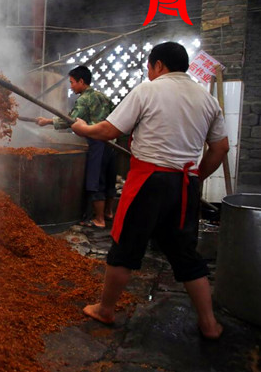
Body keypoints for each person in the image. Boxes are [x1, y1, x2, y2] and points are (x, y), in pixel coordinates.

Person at [71, 42, 229, 339]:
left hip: (148, 183)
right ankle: (209, 324)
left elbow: (108, 130)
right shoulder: (207, 100)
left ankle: (105, 310)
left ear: (158, 65)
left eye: (149, 66)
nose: (149, 71)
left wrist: (83, 129)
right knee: (185, 254)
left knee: (126, 248)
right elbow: (221, 147)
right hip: (184, 186)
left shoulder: (148, 90)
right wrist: (195, 179)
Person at [36, 65, 116, 228]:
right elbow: (115, 114)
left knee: (96, 180)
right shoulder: (103, 96)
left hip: (97, 143)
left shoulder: (84, 99)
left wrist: (47, 122)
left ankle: (98, 220)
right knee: (109, 179)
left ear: (81, 81)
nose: (71, 87)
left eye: (72, 83)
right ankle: (108, 213)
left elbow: (70, 120)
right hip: (111, 143)